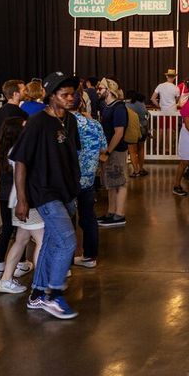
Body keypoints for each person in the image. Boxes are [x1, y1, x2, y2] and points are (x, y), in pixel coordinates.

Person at [10, 73, 81, 319]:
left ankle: (38, 294)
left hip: (66, 192)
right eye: (65, 95)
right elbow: (20, 161)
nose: (70, 98)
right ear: (51, 97)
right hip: (44, 192)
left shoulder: (71, 120)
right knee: (68, 241)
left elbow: (72, 155)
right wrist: (22, 199)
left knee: (51, 242)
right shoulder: (37, 122)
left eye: (73, 94)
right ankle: (53, 296)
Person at [0, 118, 41, 295]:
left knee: (21, 240)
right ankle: (41, 286)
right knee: (42, 241)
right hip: (26, 201)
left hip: (16, 201)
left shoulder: (7, 150)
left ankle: (5, 280)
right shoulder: (20, 151)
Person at [72, 93, 106, 269]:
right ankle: (90, 256)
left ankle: (66, 261)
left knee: (67, 220)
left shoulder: (63, 125)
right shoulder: (94, 124)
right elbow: (103, 148)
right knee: (88, 218)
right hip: (88, 178)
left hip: (67, 179)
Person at [95, 78, 129, 228]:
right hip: (108, 150)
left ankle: (119, 214)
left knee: (119, 181)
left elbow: (119, 133)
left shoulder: (119, 108)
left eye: (101, 88)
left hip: (116, 150)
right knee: (110, 182)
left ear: (109, 90)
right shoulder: (106, 106)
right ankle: (111, 212)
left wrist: (108, 151)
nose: (98, 91)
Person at [124, 90, 150, 178]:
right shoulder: (141, 104)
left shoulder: (127, 105)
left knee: (132, 151)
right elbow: (147, 114)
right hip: (144, 129)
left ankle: (136, 171)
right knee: (141, 149)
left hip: (133, 129)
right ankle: (141, 168)